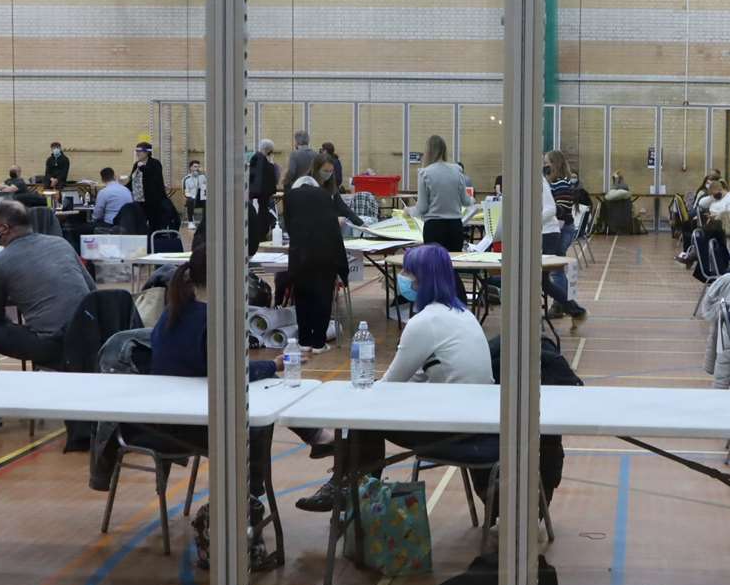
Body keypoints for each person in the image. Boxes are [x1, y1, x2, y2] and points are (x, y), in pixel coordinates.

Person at [295, 245, 494, 513]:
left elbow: (390, 385)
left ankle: (349, 487)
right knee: (366, 420)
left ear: (421, 279)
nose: (401, 277)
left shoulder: (425, 322)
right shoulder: (462, 315)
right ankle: (348, 483)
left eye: (407, 272)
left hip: (454, 430)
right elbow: (425, 374)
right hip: (475, 419)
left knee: (365, 417)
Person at [145, 245, 280, 563]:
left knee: (255, 408)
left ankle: (248, 501)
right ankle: (248, 502)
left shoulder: (176, 310)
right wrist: (274, 366)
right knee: (257, 424)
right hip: (186, 425)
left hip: (169, 415)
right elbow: (231, 374)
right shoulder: (211, 321)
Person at [0, 201, 96, 431]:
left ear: (3, 229)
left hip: (53, 345)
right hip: (90, 338)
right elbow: (92, 290)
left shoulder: (0, 263)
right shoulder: (61, 243)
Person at [281, 154, 350, 352]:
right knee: (322, 297)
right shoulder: (323, 196)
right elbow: (334, 232)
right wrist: (341, 267)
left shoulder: (290, 196)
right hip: (324, 256)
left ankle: (303, 341)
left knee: (302, 297)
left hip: (299, 256)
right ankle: (318, 343)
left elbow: (289, 227)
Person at [541, 166, 586, 319]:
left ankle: (570, 308)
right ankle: (572, 309)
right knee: (545, 279)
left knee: (551, 274)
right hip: (551, 230)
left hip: (550, 232)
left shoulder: (547, 183)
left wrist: (532, 222)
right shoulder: (544, 182)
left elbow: (554, 209)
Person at [413, 134, 468, 252]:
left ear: (428, 151)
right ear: (444, 150)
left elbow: (422, 208)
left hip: (434, 228)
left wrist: (409, 211)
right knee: (453, 266)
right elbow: (466, 201)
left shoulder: (425, 173)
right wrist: (474, 201)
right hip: (455, 226)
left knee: (434, 267)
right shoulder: (457, 171)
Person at [125, 142, 168, 232]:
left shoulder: (155, 163)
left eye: (140, 151)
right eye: (136, 151)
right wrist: (123, 188)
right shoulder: (136, 164)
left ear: (147, 152)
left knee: (154, 223)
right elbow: (133, 180)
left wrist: (143, 168)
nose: (137, 153)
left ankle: (154, 242)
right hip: (138, 199)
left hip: (152, 200)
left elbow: (155, 179)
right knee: (140, 223)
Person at [182, 160, 208, 226]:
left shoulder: (203, 177)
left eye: (198, 167)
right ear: (191, 168)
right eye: (195, 167)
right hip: (192, 199)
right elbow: (185, 192)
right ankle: (190, 222)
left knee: (207, 201)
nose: (197, 169)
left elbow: (206, 188)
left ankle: (204, 221)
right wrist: (192, 197)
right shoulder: (186, 179)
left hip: (201, 199)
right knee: (190, 200)